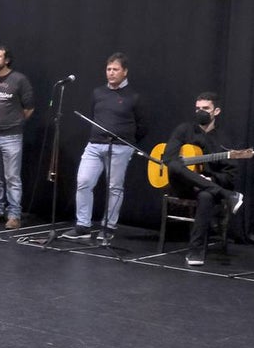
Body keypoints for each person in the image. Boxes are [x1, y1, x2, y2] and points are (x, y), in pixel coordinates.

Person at [62, 53, 147, 241]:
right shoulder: (98, 93)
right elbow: (94, 116)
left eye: (115, 69)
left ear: (125, 72)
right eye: (108, 69)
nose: (111, 73)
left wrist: (129, 144)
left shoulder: (134, 96)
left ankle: (108, 227)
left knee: (114, 188)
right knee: (84, 181)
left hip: (119, 147)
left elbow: (142, 126)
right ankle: (83, 226)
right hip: (94, 145)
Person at [161, 92, 245, 266]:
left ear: (216, 111)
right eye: (198, 108)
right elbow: (168, 158)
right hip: (182, 185)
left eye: (205, 108)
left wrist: (209, 178)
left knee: (206, 195)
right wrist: (191, 175)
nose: (200, 112)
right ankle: (228, 195)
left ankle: (195, 251)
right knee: (175, 165)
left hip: (207, 187)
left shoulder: (223, 139)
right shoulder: (184, 130)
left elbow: (230, 176)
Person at [0, 46, 34, 229]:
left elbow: (29, 107)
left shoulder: (19, 80)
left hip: (11, 136)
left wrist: (15, 123)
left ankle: (14, 215)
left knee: (12, 178)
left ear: (7, 60)